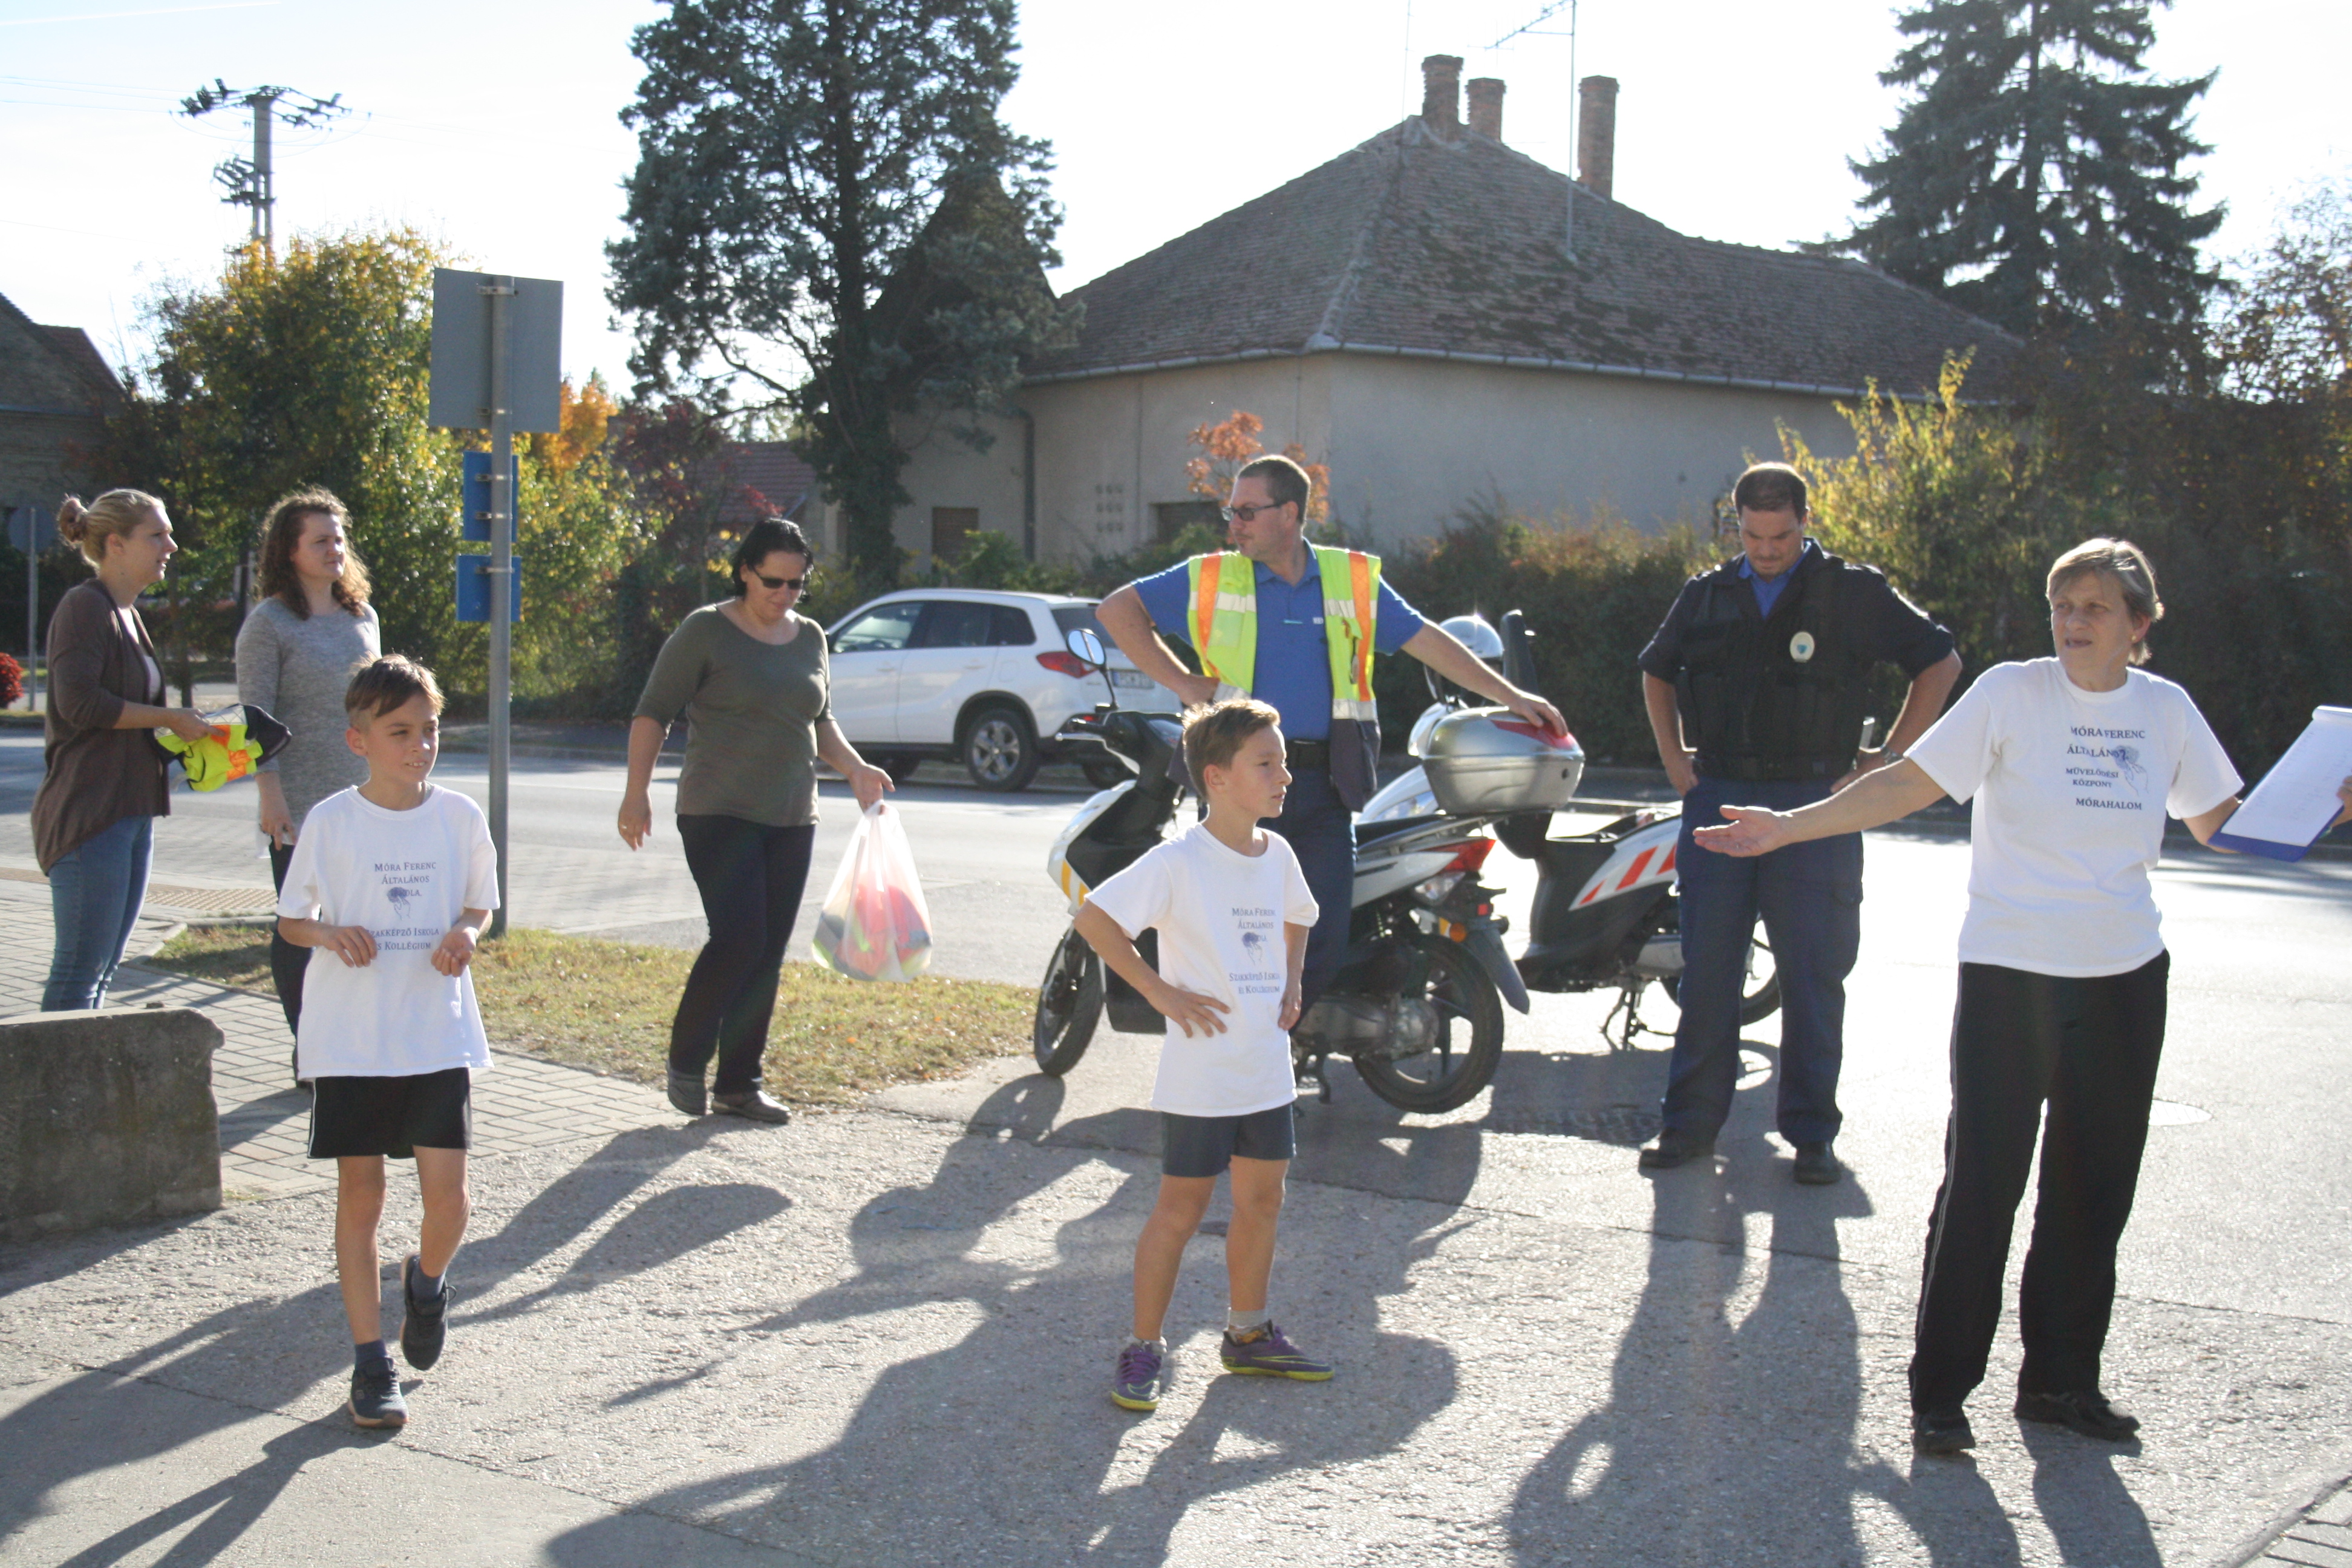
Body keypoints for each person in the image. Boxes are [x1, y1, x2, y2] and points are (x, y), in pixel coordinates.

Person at [1691, 538, 2352, 1455]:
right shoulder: (2010, 692)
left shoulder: (2166, 710)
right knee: (1984, 1185)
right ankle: (1940, 1394)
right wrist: (1789, 828)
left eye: (2095, 608)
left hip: (2125, 978)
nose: (2074, 622)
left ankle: (2059, 1384)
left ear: (2138, 624)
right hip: (2012, 974)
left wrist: (2324, 807)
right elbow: (1908, 783)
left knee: (2093, 1188)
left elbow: (2220, 826)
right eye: (2062, 605)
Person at [1095, 454, 1564, 1019]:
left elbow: (1427, 640)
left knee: (1317, 936)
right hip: (1238, 785)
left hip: (1323, 784)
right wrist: (1183, 682)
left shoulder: (1350, 581)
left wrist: (1511, 697)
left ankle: (1278, 1045)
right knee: (1234, 935)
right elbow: (1117, 610)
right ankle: (1244, 1050)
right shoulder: (1214, 577)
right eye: (1231, 511)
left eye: (1247, 511)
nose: (1233, 524)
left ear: (1289, 513)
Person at [1635, 462, 1962, 1183]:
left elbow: (1940, 662)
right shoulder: (1707, 595)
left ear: (1805, 522)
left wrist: (1887, 760)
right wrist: (1674, 759)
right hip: (1720, 794)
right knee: (1708, 973)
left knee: (1814, 977)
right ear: (1737, 525)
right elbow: (1657, 671)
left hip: (1816, 802)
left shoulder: (1853, 592)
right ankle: (1687, 1128)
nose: (1766, 550)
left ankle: (1813, 1137)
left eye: (1780, 537)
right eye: (1753, 536)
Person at [1075, 698, 1326, 1413]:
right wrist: (1161, 993)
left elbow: (1299, 917)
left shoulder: (1278, 854)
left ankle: (1247, 1335)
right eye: (1266, 764)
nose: (1284, 777)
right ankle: (1143, 1346)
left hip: (1265, 1068)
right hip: (1203, 1075)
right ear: (1216, 778)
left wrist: (1294, 979)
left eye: (1284, 763)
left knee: (1263, 1201)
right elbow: (1095, 920)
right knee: (1180, 1211)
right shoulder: (1178, 862)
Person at [275, 655, 496, 1431]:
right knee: (362, 1195)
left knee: (451, 1201)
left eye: (429, 730)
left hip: (435, 1031)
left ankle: (426, 1284)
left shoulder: (460, 816)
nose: (419, 746)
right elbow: (291, 921)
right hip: (352, 1040)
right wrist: (329, 934)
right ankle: (371, 1364)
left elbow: (479, 906)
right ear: (358, 740)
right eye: (400, 732)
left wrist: (466, 935)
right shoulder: (332, 820)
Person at [618, 517, 893, 1125]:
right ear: (745, 571)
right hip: (718, 811)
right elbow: (653, 712)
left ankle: (739, 1085)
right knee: (739, 938)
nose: (785, 595)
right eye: (773, 582)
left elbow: (819, 720)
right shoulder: (706, 631)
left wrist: (855, 769)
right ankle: (687, 1058)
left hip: (792, 815)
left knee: (766, 952)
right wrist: (636, 794)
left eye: (797, 585)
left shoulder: (810, 636)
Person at [31, 491, 213, 1011]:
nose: (171, 546)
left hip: (130, 813)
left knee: (102, 971)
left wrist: (198, 735)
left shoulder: (127, 613)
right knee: (78, 973)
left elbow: (132, 720)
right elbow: (79, 703)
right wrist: (170, 718)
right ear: (116, 544)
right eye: (157, 536)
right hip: (91, 816)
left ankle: (77, 1066)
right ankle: (49, 1068)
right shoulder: (85, 606)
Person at [235, 488, 382, 1076]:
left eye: (339, 538)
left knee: (361, 919)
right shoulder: (268, 624)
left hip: (364, 798)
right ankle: (310, 1048)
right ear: (289, 551)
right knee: (302, 925)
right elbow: (253, 720)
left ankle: (353, 1043)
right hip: (299, 803)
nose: (334, 549)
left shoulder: (362, 616)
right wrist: (270, 793)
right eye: (320, 540)